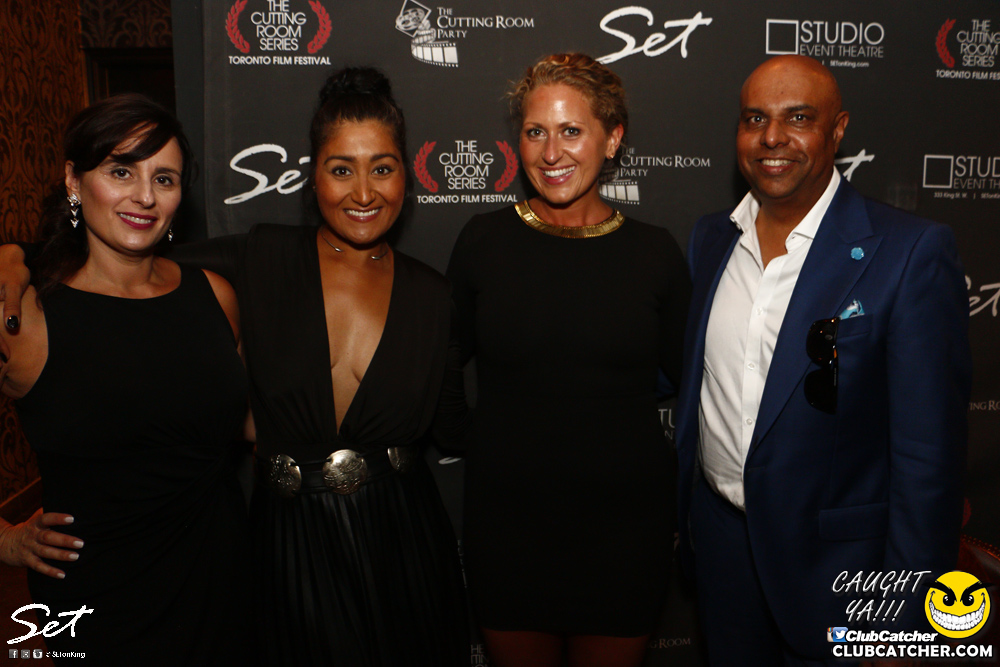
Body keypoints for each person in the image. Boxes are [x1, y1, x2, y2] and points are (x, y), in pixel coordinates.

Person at [674, 55, 971, 665]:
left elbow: (928, 457)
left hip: (843, 574)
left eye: (798, 118)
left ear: (837, 130)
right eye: (754, 118)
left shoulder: (909, 252)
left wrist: (907, 619)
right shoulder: (711, 238)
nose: (772, 137)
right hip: (722, 554)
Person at [447, 53, 691, 667]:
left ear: (613, 139)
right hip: (508, 526)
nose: (551, 152)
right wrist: (485, 444)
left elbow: (696, 384)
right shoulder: (483, 241)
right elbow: (438, 364)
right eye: (536, 132)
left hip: (624, 530)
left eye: (571, 130)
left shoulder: (655, 253)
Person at [0, 94, 251, 665]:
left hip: (222, 582)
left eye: (164, 178)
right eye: (121, 172)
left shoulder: (214, 295)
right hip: (100, 604)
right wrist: (7, 540)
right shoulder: (26, 316)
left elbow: (247, 424)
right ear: (74, 180)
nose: (145, 196)